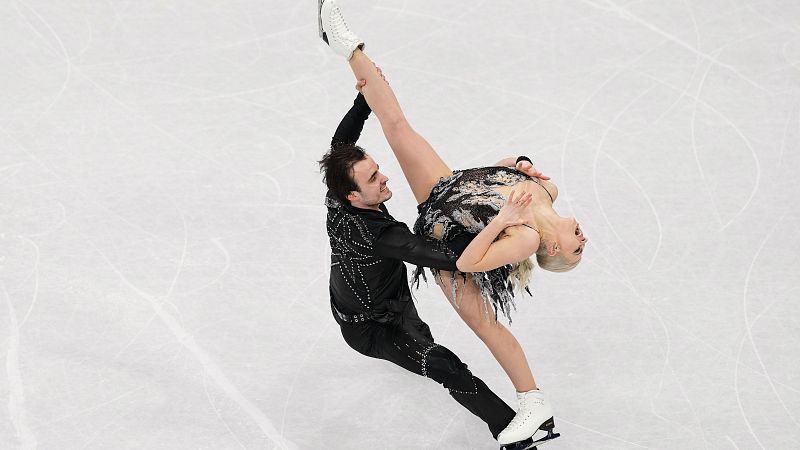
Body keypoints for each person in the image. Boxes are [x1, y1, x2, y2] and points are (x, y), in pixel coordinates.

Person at [319, 1, 587, 447]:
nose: (584, 239)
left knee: (485, 327)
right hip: (449, 190)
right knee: (397, 125)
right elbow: (493, 180)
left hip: (450, 243)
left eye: (577, 249)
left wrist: (503, 217)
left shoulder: (524, 238)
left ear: (553, 250)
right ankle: (347, 47)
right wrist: (515, 164)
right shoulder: (547, 191)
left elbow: (467, 261)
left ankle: (533, 399)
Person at [320, 88, 545, 450]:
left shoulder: (337, 191)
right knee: (444, 365)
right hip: (370, 329)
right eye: (374, 179)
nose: (386, 178)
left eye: (378, 169)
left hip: (389, 301)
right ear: (354, 197)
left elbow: (340, 143)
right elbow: (452, 257)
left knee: (422, 341)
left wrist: (366, 98)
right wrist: (499, 221)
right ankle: (510, 433)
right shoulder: (382, 236)